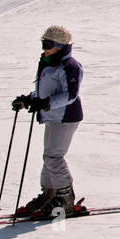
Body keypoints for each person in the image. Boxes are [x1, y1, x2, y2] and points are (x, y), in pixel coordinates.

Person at [11, 26, 85, 218]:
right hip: (53, 116)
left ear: (59, 45)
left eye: (48, 44)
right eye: (43, 44)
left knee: (54, 157)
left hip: (66, 117)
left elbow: (70, 95)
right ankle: (49, 194)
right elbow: (47, 92)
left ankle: (65, 199)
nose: (44, 48)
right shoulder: (48, 63)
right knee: (48, 156)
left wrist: (46, 103)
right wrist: (30, 99)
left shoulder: (70, 66)